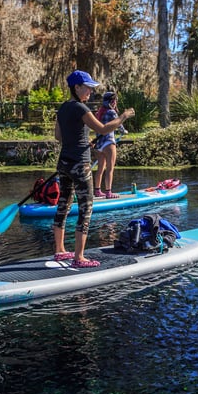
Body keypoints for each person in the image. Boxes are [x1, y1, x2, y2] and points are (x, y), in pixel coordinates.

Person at [53, 70, 135, 268]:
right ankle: (79, 258)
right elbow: (104, 129)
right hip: (80, 166)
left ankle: (60, 251)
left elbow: (59, 137)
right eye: (87, 87)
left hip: (63, 163)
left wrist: (81, 142)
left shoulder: (63, 108)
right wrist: (123, 116)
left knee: (63, 206)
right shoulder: (81, 108)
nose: (90, 91)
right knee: (86, 208)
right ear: (77, 87)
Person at [92, 91, 128, 199]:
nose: (116, 102)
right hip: (108, 142)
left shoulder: (99, 112)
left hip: (99, 145)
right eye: (115, 100)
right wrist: (124, 131)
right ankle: (108, 192)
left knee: (100, 168)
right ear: (113, 101)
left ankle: (97, 191)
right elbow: (119, 126)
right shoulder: (112, 112)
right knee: (110, 168)